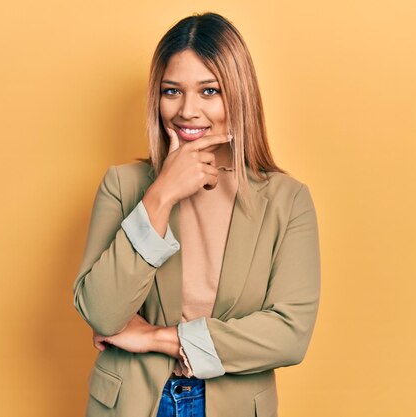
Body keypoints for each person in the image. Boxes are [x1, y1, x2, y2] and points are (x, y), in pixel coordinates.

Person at [73, 12, 320, 417]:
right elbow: (101, 311)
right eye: (173, 91)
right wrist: (162, 193)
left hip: (236, 404)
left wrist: (157, 338)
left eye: (209, 91)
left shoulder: (287, 201)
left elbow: (289, 336)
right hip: (132, 403)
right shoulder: (123, 185)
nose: (187, 110)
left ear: (238, 95)